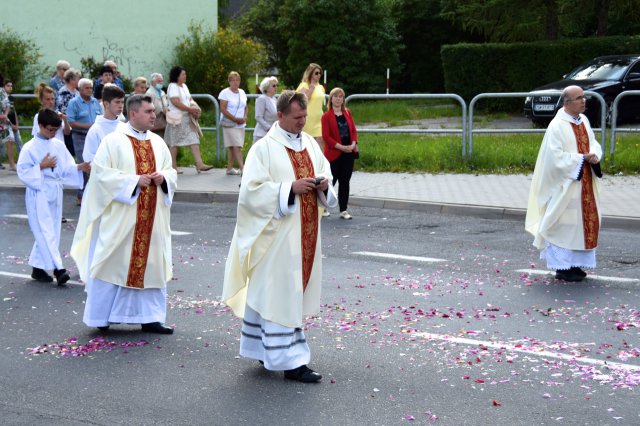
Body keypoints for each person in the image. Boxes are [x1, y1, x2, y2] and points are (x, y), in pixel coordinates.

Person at [223, 90, 337, 383]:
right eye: (297, 117)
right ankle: (292, 362)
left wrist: (323, 184)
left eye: (305, 117)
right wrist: (288, 189)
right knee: (279, 294)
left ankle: (264, 348)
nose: (302, 122)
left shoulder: (310, 144)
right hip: (276, 238)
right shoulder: (264, 149)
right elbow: (250, 193)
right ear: (281, 115)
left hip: (305, 236)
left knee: (280, 294)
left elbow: (325, 171)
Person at [70, 95, 178, 334]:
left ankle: (150, 318)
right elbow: (99, 176)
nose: (153, 116)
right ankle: (102, 317)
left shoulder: (158, 143)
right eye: (149, 111)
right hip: (123, 220)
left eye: (153, 111)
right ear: (133, 114)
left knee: (151, 265)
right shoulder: (113, 141)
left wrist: (164, 178)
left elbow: (171, 171)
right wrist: (132, 181)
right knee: (112, 263)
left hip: (152, 221)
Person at [525, 85, 603, 282]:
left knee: (579, 225)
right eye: (579, 98)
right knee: (562, 225)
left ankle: (575, 264)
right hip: (565, 184)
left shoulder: (583, 120)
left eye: (584, 97)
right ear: (567, 103)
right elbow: (554, 157)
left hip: (584, 183)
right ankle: (563, 267)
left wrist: (594, 154)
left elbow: (593, 142)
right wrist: (581, 159)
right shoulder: (557, 125)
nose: (583, 101)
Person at [17, 108, 90, 286]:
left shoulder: (57, 144)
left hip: (55, 191)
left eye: (55, 130)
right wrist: (41, 166)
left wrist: (80, 167)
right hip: (39, 191)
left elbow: (66, 167)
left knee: (52, 230)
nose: (52, 133)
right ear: (40, 126)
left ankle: (37, 267)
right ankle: (59, 269)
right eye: (49, 129)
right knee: (45, 230)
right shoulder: (29, 148)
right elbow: (23, 172)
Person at [164, 66, 212, 174]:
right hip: (177, 119)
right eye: (183, 74)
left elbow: (189, 99)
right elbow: (175, 102)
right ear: (177, 76)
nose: (185, 76)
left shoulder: (184, 86)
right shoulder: (172, 86)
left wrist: (195, 107)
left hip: (187, 118)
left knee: (193, 139)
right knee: (174, 142)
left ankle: (199, 163)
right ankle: (173, 166)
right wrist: (190, 109)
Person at [321, 87, 359, 220]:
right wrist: (341, 147)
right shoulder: (326, 116)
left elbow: (353, 130)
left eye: (341, 96)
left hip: (349, 152)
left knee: (345, 181)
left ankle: (343, 210)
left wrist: (354, 144)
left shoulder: (347, 113)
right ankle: (323, 207)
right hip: (334, 153)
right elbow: (326, 137)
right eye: (335, 96)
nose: (338, 99)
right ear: (331, 99)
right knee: (331, 181)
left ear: (343, 99)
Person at [67, 78, 101, 204]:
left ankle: (92, 194)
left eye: (91, 87)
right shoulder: (74, 102)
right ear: (80, 89)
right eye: (86, 87)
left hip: (94, 137)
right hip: (80, 136)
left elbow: (100, 117)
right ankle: (81, 195)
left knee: (95, 163)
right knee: (84, 164)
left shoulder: (95, 102)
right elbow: (71, 121)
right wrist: (88, 126)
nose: (89, 90)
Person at [83, 85, 125, 164]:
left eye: (122, 102)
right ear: (106, 104)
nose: (121, 105)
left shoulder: (124, 127)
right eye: (117, 102)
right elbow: (88, 158)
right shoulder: (95, 130)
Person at [219, 71, 247, 175]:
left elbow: (245, 107)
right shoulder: (224, 93)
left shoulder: (242, 92)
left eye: (237, 80)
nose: (235, 82)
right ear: (229, 81)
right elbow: (223, 108)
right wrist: (235, 119)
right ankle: (243, 168)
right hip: (230, 123)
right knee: (237, 146)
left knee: (232, 147)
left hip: (241, 123)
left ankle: (229, 168)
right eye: (233, 80)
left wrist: (244, 117)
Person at [296, 63, 325, 151]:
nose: (318, 75)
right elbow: (301, 101)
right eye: (316, 73)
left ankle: (320, 163)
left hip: (319, 119)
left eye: (320, 73)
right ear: (310, 73)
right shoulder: (304, 85)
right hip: (307, 119)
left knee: (320, 140)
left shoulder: (321, 87)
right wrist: (311, 89)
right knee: (306, 143)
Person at [55, 67, 82, 157]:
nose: (79, 80)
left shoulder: (76, 92)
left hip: (76, 123)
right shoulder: (64, 92)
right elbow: (62, 108)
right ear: (72, 80)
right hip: (67, 124)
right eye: (78, 78)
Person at [253, 76, 278, 144]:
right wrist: (269, 128)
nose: (276, 87)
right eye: (273, 86)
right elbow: (258, 117)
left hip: (272, 135)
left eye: (276, 85)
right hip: (261, 135)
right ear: (266, 88)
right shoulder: (262, 99)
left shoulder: (274, 99)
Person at [0, 77, 17, 171]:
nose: (10, 87)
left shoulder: (3, 93)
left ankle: (11, 164)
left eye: (11, 86)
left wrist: (5, 115)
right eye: (8, 85)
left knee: (9, 140)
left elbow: (8, 106)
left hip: (4, 121)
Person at [146, 72, 168, 138]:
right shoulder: (149, 93)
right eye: (158, 81)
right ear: (152, 82)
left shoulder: (162, 92)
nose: (161, 83)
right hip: (155, 119)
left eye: (161, 81)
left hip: (164, 119)